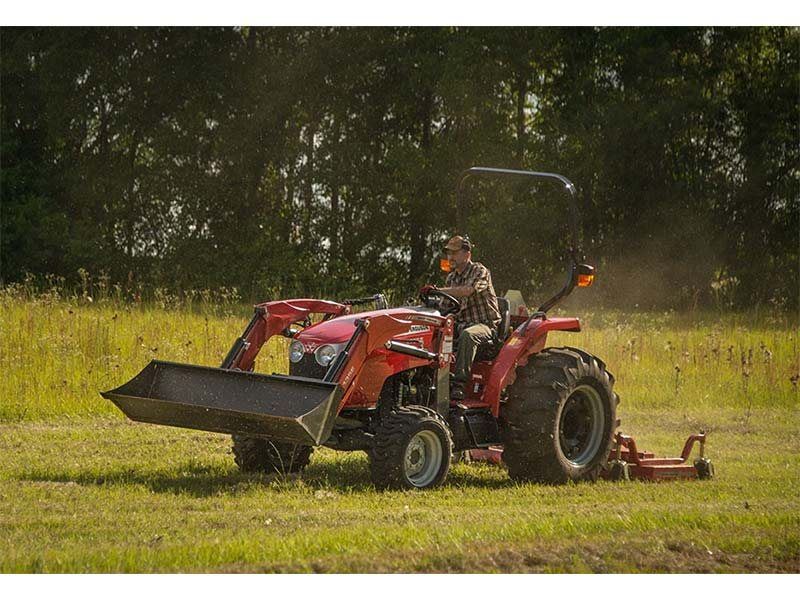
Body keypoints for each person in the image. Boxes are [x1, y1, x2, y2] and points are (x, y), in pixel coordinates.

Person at [422, 235, 501, 400]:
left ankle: (459, 384)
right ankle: (427, 380)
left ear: (467, 254)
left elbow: (469, 290)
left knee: (468, 335)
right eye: (448, 253)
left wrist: (440, 290)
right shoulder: (452, 278)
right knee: (432, 331)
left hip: (484, 325)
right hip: (460, 323)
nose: (450, 257)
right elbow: (445, 307)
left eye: (454, 253)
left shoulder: (480, 272)